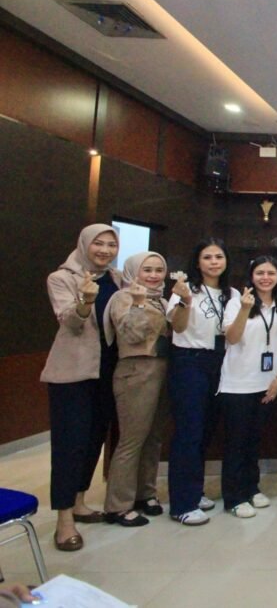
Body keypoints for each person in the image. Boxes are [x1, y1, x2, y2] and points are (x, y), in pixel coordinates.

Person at [41, 224, 121, 552]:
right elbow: (70, 322)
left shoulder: (116, 279)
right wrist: (85, 301)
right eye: (98, 243)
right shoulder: (61, 278)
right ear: (84, 244)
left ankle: (79, 502)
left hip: (108, 372)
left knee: (93, 441)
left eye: (111, 245)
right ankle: (64, 521)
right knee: (69, 445)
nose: (104, 250)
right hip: (73, 374)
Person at [166, 238, 236, 525]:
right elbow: (178, 326)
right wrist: (184, 301)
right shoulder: (185, 289)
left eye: (219, 256)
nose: (214, 262)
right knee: (189, 431)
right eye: (207, 257)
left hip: (220, 361)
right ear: (197, 262)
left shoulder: (231, 293)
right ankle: (182, 503)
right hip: (190, 361)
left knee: (206, 430)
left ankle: (194, 491)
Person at [101, 251, 171, 527]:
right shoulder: (123, 297)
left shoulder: (163, 300)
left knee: (153, 437)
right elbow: (131, 333)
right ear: (133, 271)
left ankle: (146, 493)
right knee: (132, 439)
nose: (153, 275)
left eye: (158, 270)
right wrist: (139, 305)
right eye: (147, 270)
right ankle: (118, 505)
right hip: (136, 371)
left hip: (162, 370)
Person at [219, 256, 277, 518]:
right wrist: (243, 310)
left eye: (271, 273)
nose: (265, 278)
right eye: (260, 273)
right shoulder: (237, 302)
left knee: (254, 441)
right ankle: (234, 497)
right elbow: (231, 337)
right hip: (238, 383)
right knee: (236, 442)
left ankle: (251, 487)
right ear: (251, 276)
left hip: (267, 384)